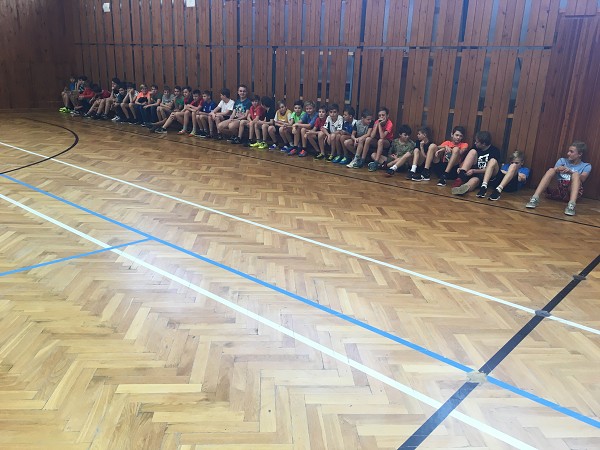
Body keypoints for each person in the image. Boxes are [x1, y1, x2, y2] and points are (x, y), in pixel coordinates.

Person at [525, 141, 591, 216]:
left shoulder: (586, 166)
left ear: (580, 154)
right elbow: (553, 174)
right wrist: (557, 169)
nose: (568, 153)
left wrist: (571, 172)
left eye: (571, 152)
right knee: (551, 170)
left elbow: (583, 179)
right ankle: (534, 198)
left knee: (576, 175)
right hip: (556, 188)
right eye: (568, 151)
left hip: (569, 191)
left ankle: (571, 205)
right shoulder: (562, 160)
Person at [451, 131, 501, 195]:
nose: (475, 143)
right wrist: (461, 168)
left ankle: (463, 188)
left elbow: (492, 168)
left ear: (483, 144)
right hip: (472, 171)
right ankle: (461, 176)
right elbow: (466, 160)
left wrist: (474, 171)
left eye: (477, 142)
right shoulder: (475, 147)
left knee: (475, 181)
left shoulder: (495, 151)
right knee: (472, 151)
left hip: (485, 175)